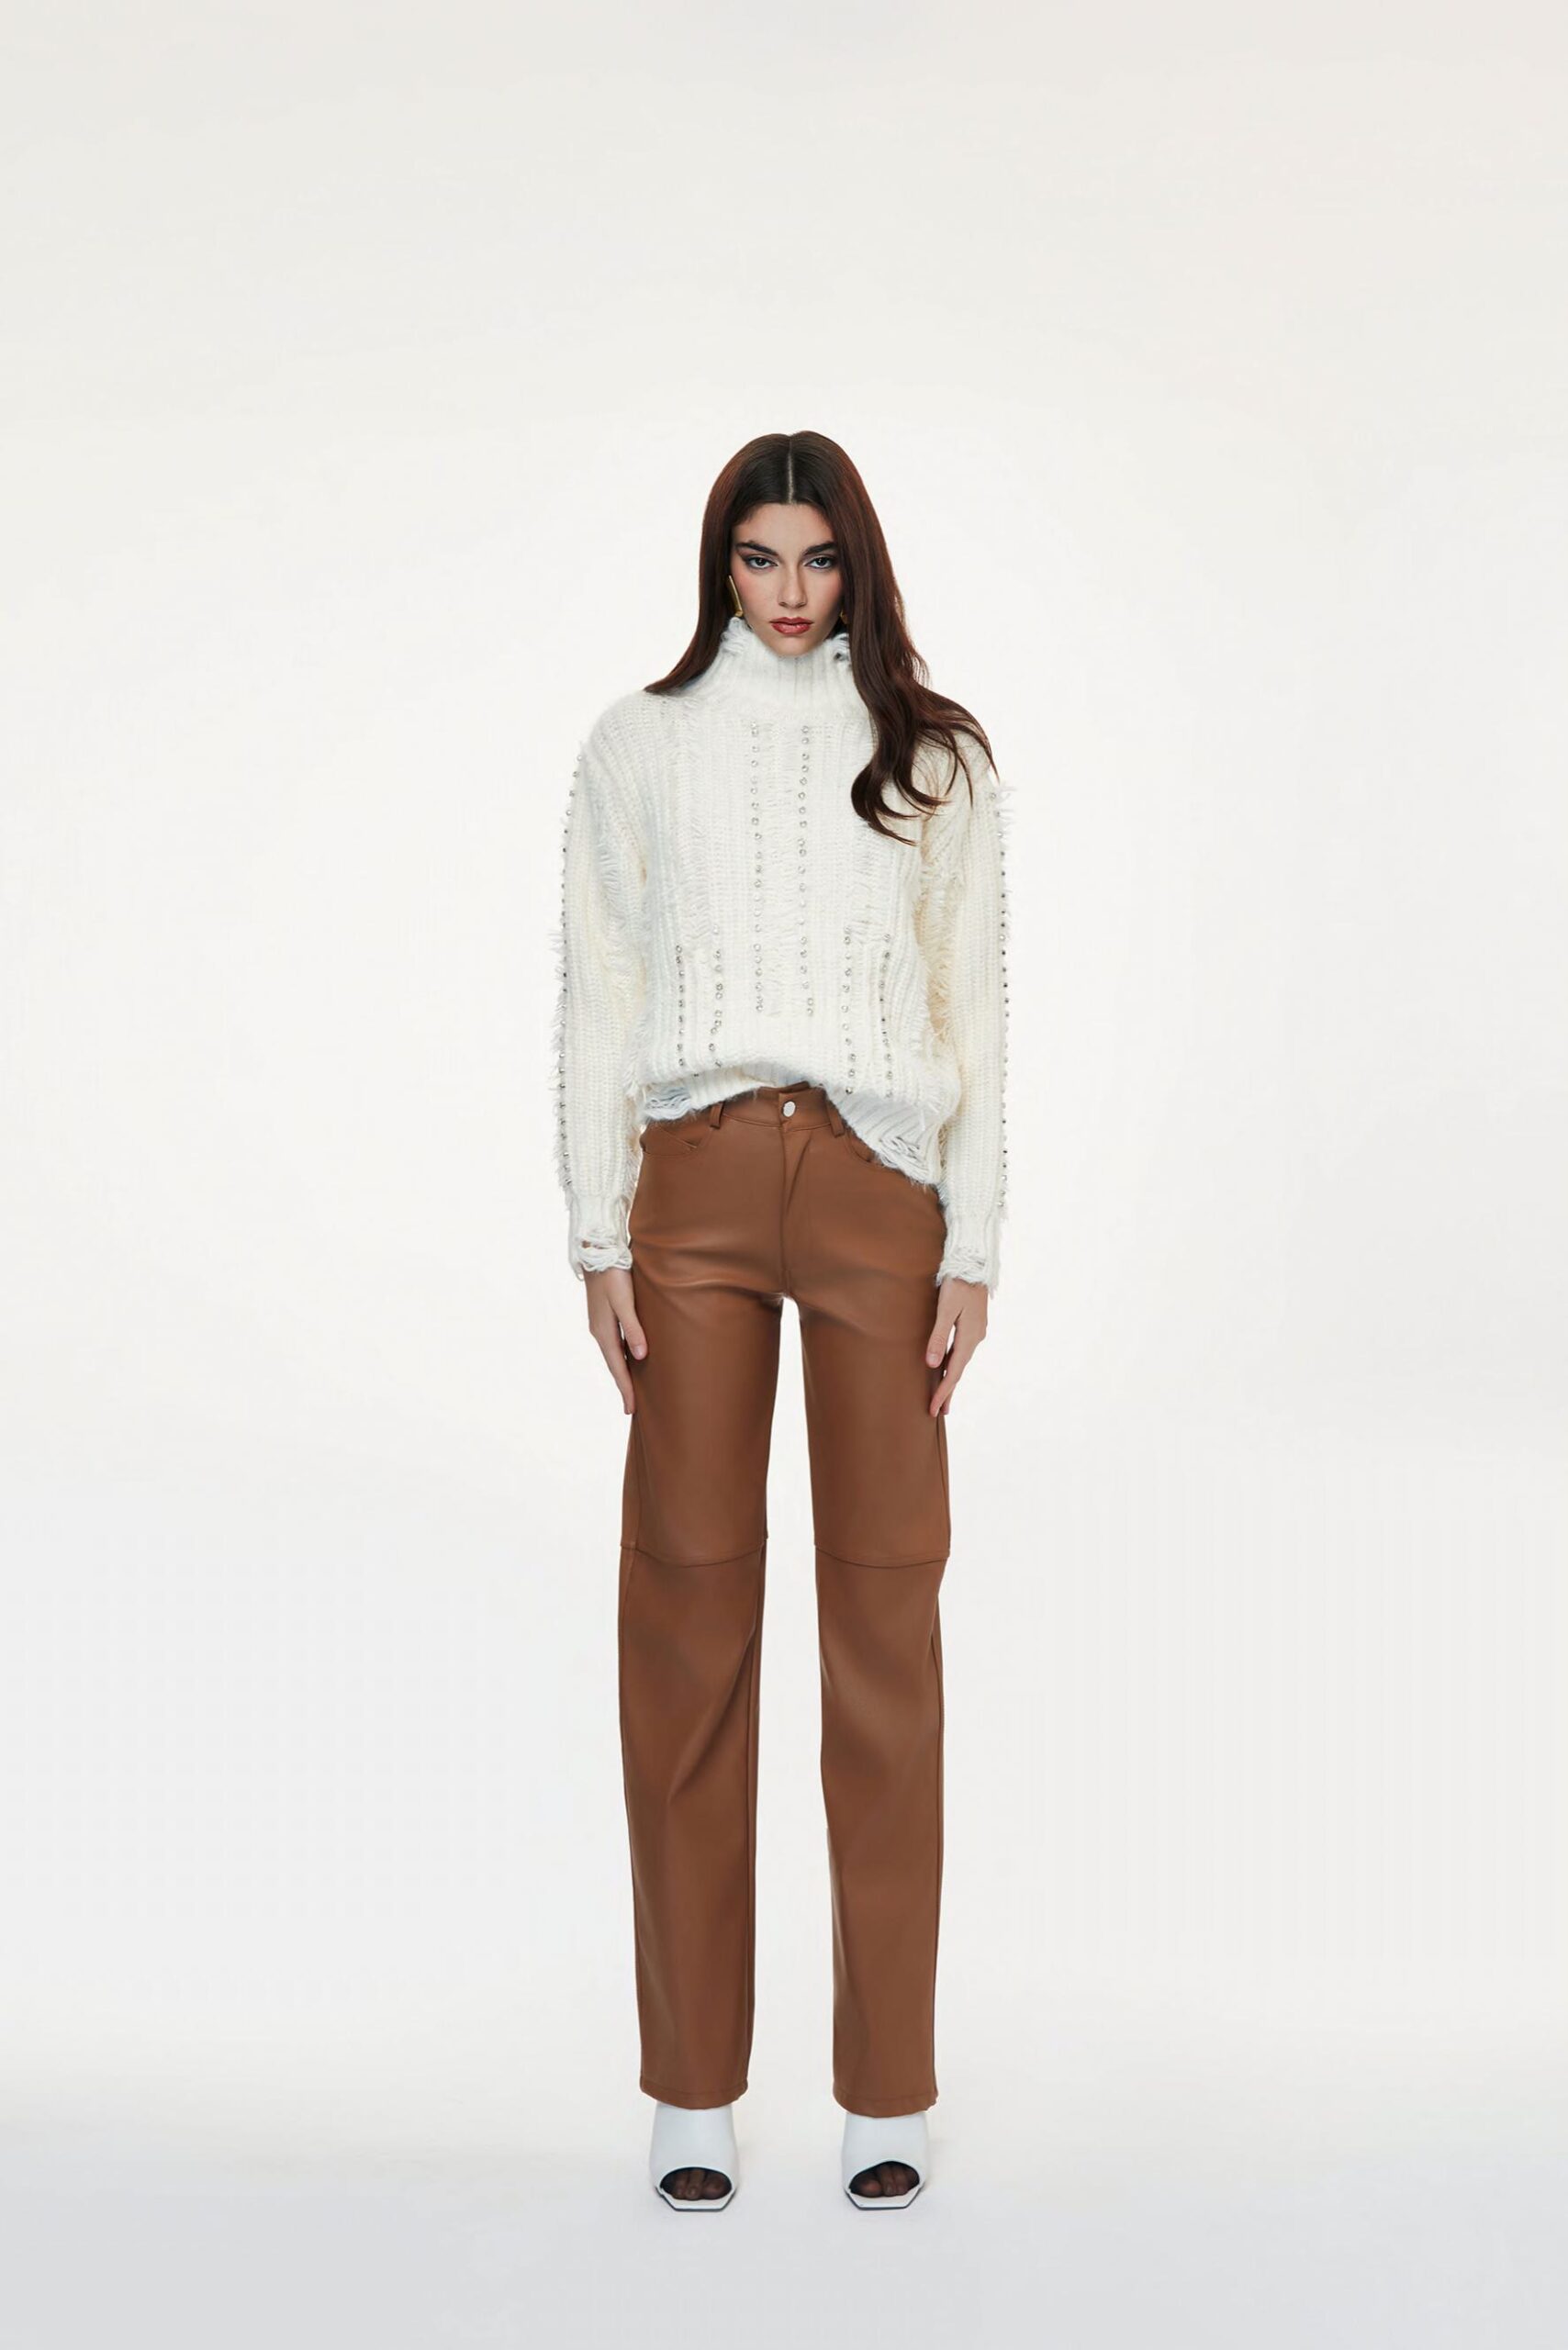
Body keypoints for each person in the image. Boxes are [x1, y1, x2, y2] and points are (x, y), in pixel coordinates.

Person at [552, 430, 1009, 2210]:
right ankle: (690, 2090)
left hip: (882, 1189)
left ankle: (886, 2089)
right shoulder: (640, 743)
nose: (792, 591)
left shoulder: (934, 756)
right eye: (759, 557)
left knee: (885, 1621)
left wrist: (974, 1244)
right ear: (718, 566)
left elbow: (976, 1007)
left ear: (859, 565)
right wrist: (598, 1229)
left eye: (819, 558)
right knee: (684, 1616)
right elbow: (599, 996)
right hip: (694, 1187)